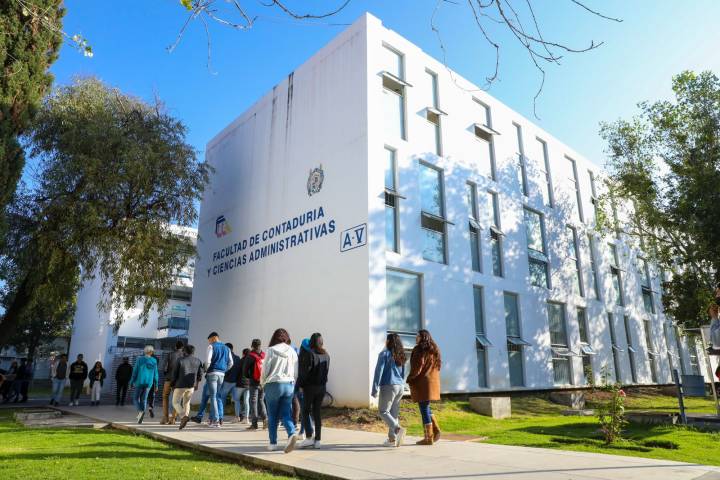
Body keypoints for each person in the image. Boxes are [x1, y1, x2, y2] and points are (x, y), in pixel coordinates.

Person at [261, 328, 299, 453]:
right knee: (286, 413)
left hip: (273, 384)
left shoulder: (271, 350)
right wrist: (293, 382)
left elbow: (265, 369)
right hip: (289, 384)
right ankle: (292, 433)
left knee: (272, 415)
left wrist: (263, 383)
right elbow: (296, 371)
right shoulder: (292, 351)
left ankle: (273, 443)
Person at [406, 329, 442, 446]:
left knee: (424, 409)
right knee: (426, 407)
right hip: (431, 383)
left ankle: (428, 438)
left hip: (422, 383)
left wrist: (410, 378)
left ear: (423, 337)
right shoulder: (434, 349)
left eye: (418, 336)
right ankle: (435, 430)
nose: (416, 338)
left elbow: (418, 367)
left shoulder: (419, 349)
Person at [372, 333, 407, 447]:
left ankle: (398, 429)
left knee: (383, 411)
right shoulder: (401, 355)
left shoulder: (384, 354)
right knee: (393, 414)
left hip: (389, 386)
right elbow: (403, 373)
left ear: (388, 341)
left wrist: (374, 388)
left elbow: (378, 371)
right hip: (400, 386)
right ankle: (392, 439)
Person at [297, 333, 330, 449]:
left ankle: (309, 437)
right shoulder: (326, 355)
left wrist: (299, 385)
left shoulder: (310, 354)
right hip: (322, 387)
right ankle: (318, 440)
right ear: (321, 342)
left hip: (310, 388)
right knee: (317, 413)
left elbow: (304, 373)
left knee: (305, 411)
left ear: (311, 342)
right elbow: (326, 371)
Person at [205, 332, 233, 428]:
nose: (209, 342)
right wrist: (224, 370)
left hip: (212, 373)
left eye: (209, 340)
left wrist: (206, 370)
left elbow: (208, 361)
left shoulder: (211, 347)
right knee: (218, 396)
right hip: (222, 375)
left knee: (213, 397)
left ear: (213, 338)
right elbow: (231, 363)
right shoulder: (227, 348)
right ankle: (218, 418)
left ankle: (216, 420)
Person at [173, 344, 204, 430]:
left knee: (175, 402)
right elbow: (200, 375)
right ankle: (184, 419)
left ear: (185, 351)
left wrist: (173, 384)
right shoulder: (198, 361)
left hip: (180, 385)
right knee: (186, 403)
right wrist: (197, 384)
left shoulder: (180, 360)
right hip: (191, 386)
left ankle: (184, 417)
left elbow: (174, 374)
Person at [130, 345, 159, 424]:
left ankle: (140, 412)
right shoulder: (154, 361)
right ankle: (140, 419)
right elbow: (156, 374)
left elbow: (135, 371)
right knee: (144, 399)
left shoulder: (140, 359)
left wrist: (131, 382)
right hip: (149, 383)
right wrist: (156, 384)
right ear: (151, 352)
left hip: (140, 382)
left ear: (145, 351)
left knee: (135, 399)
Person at [244, 338, 267, 430]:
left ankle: (254, 424)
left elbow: (245, 370)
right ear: (260, 345)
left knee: (253, 402)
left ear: (252, 346)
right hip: (263, 382)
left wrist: (249, 377)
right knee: (261, 400)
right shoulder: (264, 355)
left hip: (254, 382)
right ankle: (265, 419)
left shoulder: (250, 356)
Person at [217, 342, 242, 424]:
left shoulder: (226, 357)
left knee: (221, 398)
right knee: (236, 400)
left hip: (227, 381)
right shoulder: (238, 358)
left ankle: (220, 416)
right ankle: (237, 416)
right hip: (236, 382)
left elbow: (224, 369)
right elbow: (240, 370)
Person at [161, 340, 185, 425]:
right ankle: (173, 419)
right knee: (177, 400)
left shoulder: (170, 354)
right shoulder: (184, 356)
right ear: (183, 347)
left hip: (169, 379)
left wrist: (166, 374)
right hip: (179, 381)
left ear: (175, 347)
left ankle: (165, 417)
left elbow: (164, 367)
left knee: (165, 396)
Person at [234, 348, 252, 423]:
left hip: (240, 383)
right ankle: (246, 418)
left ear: (243, 354)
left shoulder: (240, 361)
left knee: (237, 400)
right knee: (246, 401)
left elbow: (237, 372)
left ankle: (237, 417)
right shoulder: (251, 361)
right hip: (249, 384)